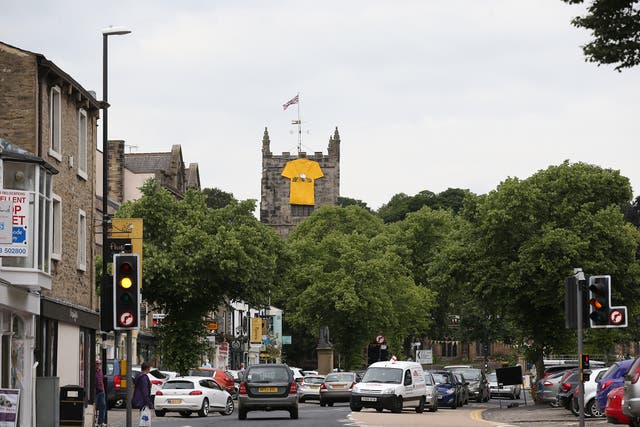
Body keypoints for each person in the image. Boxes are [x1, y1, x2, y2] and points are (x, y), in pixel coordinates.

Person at [95, 359, 106, 427]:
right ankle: (95, 422)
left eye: (99, 363)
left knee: (103, 406)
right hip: (95, 392)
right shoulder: (93, 371)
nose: (98, 365)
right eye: (97, 363)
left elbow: (101, 381)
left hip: (101, 391)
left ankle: (101, 422)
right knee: (95, 407)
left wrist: (103, 390)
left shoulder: (100, 371)